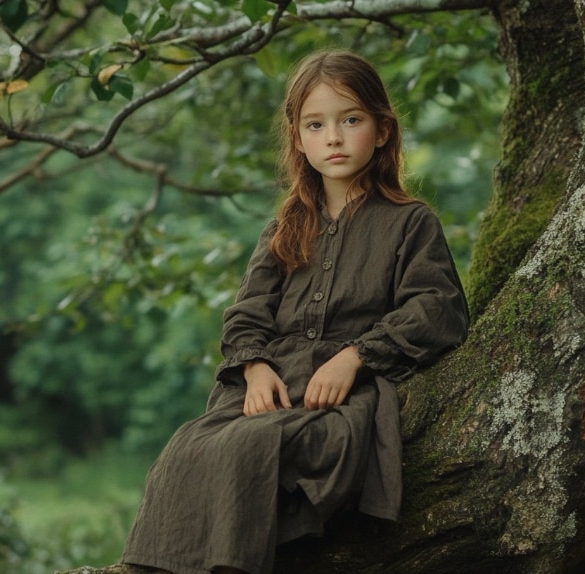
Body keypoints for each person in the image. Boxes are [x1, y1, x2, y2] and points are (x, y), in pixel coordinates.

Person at [119, 48, 470, 574]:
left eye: (350, 120)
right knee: (185, 449)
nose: (333, 137)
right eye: (316, 124)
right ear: (298, 139)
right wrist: (254, 367)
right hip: (268, 387)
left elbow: (436, 307)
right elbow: (247, 311)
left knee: (257, 447)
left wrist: (355, 358)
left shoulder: (409, 222)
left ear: (381, 131)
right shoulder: (286, 226)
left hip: (339, 396)